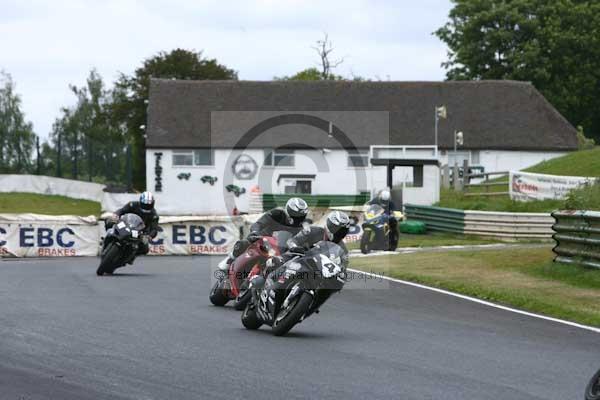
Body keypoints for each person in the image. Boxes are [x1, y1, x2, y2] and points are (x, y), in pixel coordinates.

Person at [219, 197, 309, 269]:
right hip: (262, 241)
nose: (298, 218)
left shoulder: (303, 226)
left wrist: (301, 248)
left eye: (300, 216)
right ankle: (230, 260)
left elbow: (302, 240)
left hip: (281, 251)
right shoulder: (276, 214)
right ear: (289, 211)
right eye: (296, 215)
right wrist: (255, 232)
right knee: (243, 244)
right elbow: (259, 223)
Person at [265, 210, 351, 274]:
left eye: (342, 231)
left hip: (316, 273)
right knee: (275, 262)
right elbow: (293, 240)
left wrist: (341, 271)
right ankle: (262, 279)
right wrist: (295, 247)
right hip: (299, 259)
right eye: (337, 229)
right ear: (329, 225)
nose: (339, 233)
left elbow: (343, 268)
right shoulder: (312, 231)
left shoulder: (343, 250)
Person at [106, 191, 159, 258]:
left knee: (145, 249)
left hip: (140, 232)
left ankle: (130, 257)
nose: (146, 207)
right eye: (145, 205)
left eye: (148, 205)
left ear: (152, 204)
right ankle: (107, 238)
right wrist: (116, 215)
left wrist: (149, 236)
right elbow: (122, 210)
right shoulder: (132, 204)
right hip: (126, 225)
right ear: (140, 202)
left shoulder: (154, 215)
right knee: (109, 221)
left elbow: (154, 229)